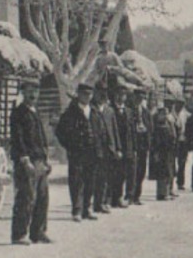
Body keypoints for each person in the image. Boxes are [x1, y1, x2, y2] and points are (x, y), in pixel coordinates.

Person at [9, 79, 52, 245]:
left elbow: (42, 138)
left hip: (40, 160)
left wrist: (46, 160)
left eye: (36, 90)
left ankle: (38, 232)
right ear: (23, 92)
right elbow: (18, 139)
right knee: (26, 197)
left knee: (42, 197)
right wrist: (24, 159)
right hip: (27, 161)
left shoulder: (36, 112)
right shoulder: (19, 113)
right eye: (29, 90)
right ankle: (19, 234)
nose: (33, 94)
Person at [55, 82, 99, 221]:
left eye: (89, 94)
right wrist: (70, 146)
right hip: (77, 153)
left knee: (90, 180)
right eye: (84, 94)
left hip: (92, 152)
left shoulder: (94, 112)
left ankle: (87, 208)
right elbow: (60, 132)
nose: (87, 97)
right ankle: (77, 210)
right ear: (78, 95)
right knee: (76, 181)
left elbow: (101, 131)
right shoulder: (70, 113)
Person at [91, 85, 121, 215]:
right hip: (96, 148)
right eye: (99, 92)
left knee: (108, 176)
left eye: (104, 93)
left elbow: (115, 130)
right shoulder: (91, 109)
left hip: (109, 148)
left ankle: (105, 201)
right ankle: (97, 203)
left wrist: (118, 147)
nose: (102, 95)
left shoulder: (110, 110)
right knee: (97, 177)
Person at [111, 85, 135, 208]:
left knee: (128, 172)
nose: (121, 97)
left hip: (128, 147)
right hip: (117, 147)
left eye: (123, 95)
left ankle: (129, 196)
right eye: (119, 95)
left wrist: (134, 148)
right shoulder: (111, 111)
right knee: (117, 173)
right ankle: (116, 197)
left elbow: (132, 131)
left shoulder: (129, 111)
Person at [149, 106, 175, 201]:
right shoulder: (157, 127)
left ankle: (167, 192)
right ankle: (161, 193)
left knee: (168, 172)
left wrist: (171, 124)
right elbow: (155, 142)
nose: (165, 116)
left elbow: (173, 137)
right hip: (160, 153)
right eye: (163, 114)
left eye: (166, 114)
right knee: (161, 174)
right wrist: (155, 153)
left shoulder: (168, 126)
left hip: (168, 152)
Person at [132, 89, 153, 205]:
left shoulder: (146, 112)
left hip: (143, 145)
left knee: (141, 171)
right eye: (138, 97)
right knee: (131, 171)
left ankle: (137, 196)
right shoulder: (130, 110)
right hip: (133, 144)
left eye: (142, 98)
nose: (140, 100)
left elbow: (150, 128)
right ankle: (129, 195)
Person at [172, 96, 190, 191]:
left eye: (182, 104)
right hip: (173, 141)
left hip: (183, 140)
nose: (180, 106)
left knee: (182, 162)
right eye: (179, 103)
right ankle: (170, 182)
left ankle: (180, 182)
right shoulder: (171, 114)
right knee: (171, 161)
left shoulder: (186, 115)